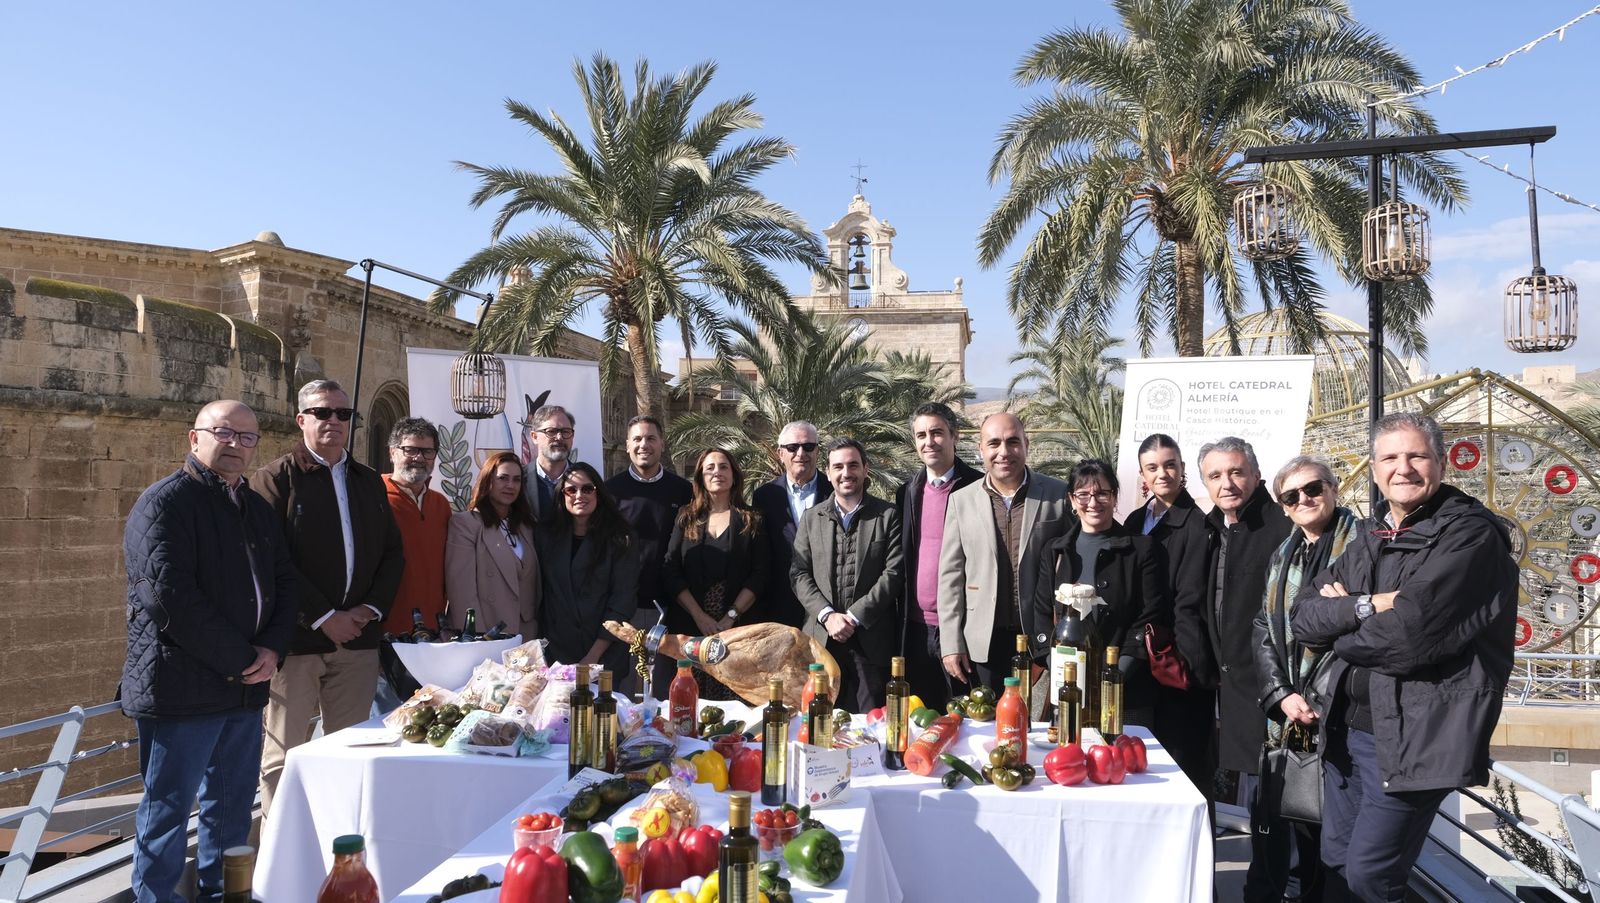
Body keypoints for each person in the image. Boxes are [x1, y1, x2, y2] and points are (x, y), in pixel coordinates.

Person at [1293, 413, 1517, 902]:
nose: (1404, 468)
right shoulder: (1377, 535)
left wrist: (1342, 631)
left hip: (1413, 739)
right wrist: (1369, 605)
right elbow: (1304, 616)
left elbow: (1410, 640)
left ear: (1440, 462)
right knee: (1336, 860)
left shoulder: (1470, 537)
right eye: (1390, 457)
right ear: (1374, 470)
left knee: (1371, 875)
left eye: (1416, 455)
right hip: (1347, 733)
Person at [121, 401, 297, 903]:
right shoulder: (164, 504)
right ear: (194, 438)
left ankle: (225, 894)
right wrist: (244, 658)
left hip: (242, 690)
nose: (237, 445)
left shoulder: (256, 510)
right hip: (181, 688)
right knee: (167, 810)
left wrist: (272, 649)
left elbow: (285, 583)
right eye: (225, 433)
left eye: (248, 438)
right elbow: (168, 597)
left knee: (232, 805)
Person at [251, 379, 405, 818]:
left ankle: (342, 853)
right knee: (284, 758)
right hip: (298, 643)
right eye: (323, 413)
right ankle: (277, 866)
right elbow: (271, 560)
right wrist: (321, 616)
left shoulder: (369, 481)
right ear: (301, 420)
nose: (334, 421)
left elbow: (392, 553)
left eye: (344, 414)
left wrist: (368, 609)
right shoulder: (275, 479)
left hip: (357, 641)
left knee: (351, 752)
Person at [1246, 456, 1360, 903]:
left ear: (1333, 488)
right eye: (1292, 496)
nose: (1305, 500)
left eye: (1313, 488)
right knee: (1302, 821)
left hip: (1342, 709)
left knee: (1339, 837)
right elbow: (1264, 626)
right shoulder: (1285, 552)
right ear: (1284, 508)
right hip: (1294, 710)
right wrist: (1283, 693)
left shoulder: (1363, 545)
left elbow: (1363, 627)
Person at [937, 413, 1071, 699]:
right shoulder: (962, 500)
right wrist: (951, 643)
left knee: (1039, 728)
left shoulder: (1058, 496)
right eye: (994, 443)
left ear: (1026, 444)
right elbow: (950, 576)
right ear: (981, 449)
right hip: (983, 640)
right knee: (988, 725)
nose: (1003, 452)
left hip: (1040, 637)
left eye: (1012, 442)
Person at [1034, 459, 1165, 729]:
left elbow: (1150, 615)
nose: (1092, 502)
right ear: (1072, 499)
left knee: (1121, 766)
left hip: (1124, 690)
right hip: (1068, 689)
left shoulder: (1141, 550)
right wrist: (1061, 669)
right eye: (1083, 494)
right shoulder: (1055, 551)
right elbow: (1041, 611)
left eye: (1102, 493)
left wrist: (1114, 673)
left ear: (1115, 497)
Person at [1197, 436, 1291, 802]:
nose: (1227, 483)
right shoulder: (1208, 529)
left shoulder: (1283, 527)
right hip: (1224, 687)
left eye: (1236, 472)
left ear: (1256, 474)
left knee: (1276, 798)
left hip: (1273, 689)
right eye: (1215, 475)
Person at [1125, 433, 1216, 798]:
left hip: (1180, 666)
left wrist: (1190, 665)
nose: (1162, 473)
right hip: (1142, 661)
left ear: (1182, 469)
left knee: (1188, 768)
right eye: (1153, 467)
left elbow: (1190, 600)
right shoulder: (1134, 520)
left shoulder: (1198, 524)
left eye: (1170, 465)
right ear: (1143, 475)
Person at [792, 438, 904, 712]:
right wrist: (828, 616)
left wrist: (852, 617)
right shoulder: (811, 518)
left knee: (869, 725)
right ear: (828, 473)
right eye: (838, 467)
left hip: (870, 642)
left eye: (853, 465)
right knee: (819, 723)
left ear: (866, 469)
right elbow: (798, 573)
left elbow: (894, 573)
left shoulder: (888, 515)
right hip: (822, 640)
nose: (846, 473)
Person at [662, 448, 770, 700]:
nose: (717, 472)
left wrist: (731, 616)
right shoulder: (686, 518)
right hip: (691, 626)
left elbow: (761, 573)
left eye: (723, 467)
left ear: (734, 475)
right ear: (700, 476)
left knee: (735, 702)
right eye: (709, 468)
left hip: (737, 627)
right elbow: (670, 569)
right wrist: (699, 616)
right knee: (692, 702)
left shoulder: (752, 519)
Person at [895, 402, 983, 711]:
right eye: (921, 435)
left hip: (962, 629)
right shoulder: (907, 491)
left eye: (937, 433)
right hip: (915, 629)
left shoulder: (978, 487)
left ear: (954, 436)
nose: (928, 442)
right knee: (921, 718)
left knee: (963, 717)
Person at [605, 415, 692, 695]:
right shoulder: (610, 491)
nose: (645, 445)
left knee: (665, 690)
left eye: (651, 438)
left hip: (669, 606)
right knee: (626, 689)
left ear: (662, 444)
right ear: (628, 445)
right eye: (638, 439)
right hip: (624, 606)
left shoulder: (683, 490)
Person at [535, 461, 639, 673]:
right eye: (571, 489)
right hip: (556, 654)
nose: (579, 495)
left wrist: (592, 656)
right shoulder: (545, 536)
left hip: (604, 656)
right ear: (562, 495)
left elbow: (622, 601)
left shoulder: (621, 538)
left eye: (587, 489)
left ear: (598, 493)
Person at [377, 418, 451, 705]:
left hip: (430, 639)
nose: (419, 458)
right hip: (385, 638)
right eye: (410, 450)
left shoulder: (440, 505)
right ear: (393, 452)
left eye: (427, 451)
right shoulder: (373, 496)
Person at [445, 452, 541, 640]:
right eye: (502, 478)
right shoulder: (465, 524)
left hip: (525, 634)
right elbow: (461, 590)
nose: (510, 486)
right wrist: (476, 637)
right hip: (487, 633)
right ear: (488, 481)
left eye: (516, 480)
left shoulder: (526, 526)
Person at [753, 421, 832, 628]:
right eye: (792, 447)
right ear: (780, 453)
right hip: (779, 606)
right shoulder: (764, 496)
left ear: (817, 451)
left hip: (828, 607)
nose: (800, 453)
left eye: (808, 447)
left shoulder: (835, 492)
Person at [523, 404, 576, 520]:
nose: (559, 437)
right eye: (551, 431)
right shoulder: (518, 480)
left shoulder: (587, 483)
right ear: (534, 437)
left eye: (566, 432)